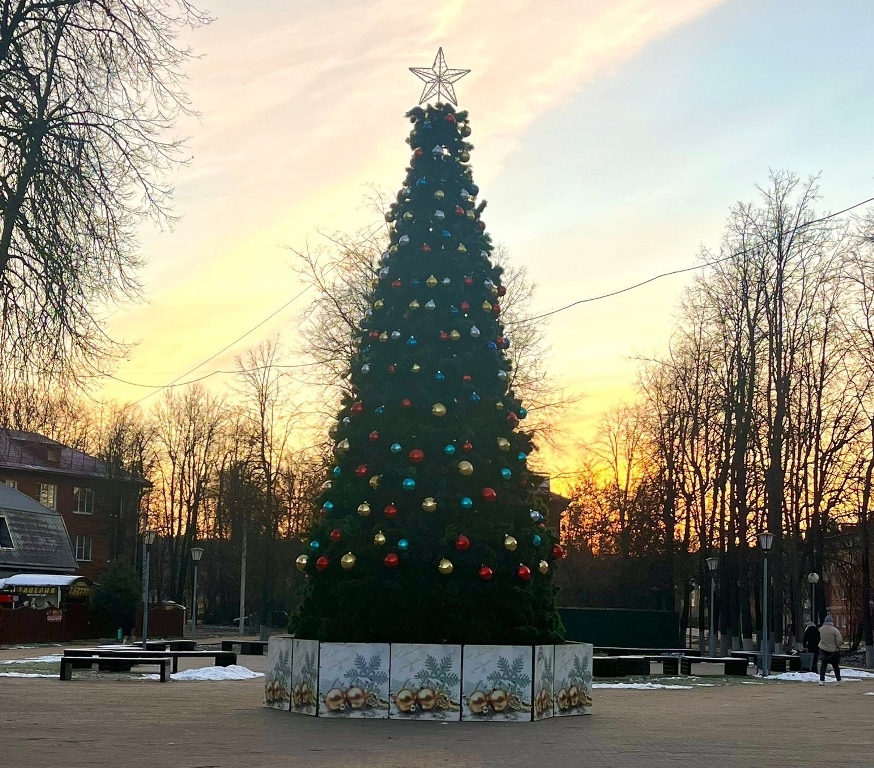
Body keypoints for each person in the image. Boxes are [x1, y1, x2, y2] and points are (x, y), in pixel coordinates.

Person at [818, 614, 842, 685]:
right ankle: (838, 680)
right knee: (835, 666)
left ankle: (821, 680)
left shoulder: (821, 629)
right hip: (833, 651)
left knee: (823, 665)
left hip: (823, 649)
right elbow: (839, 640)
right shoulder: (835, 630)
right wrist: (837, 647)